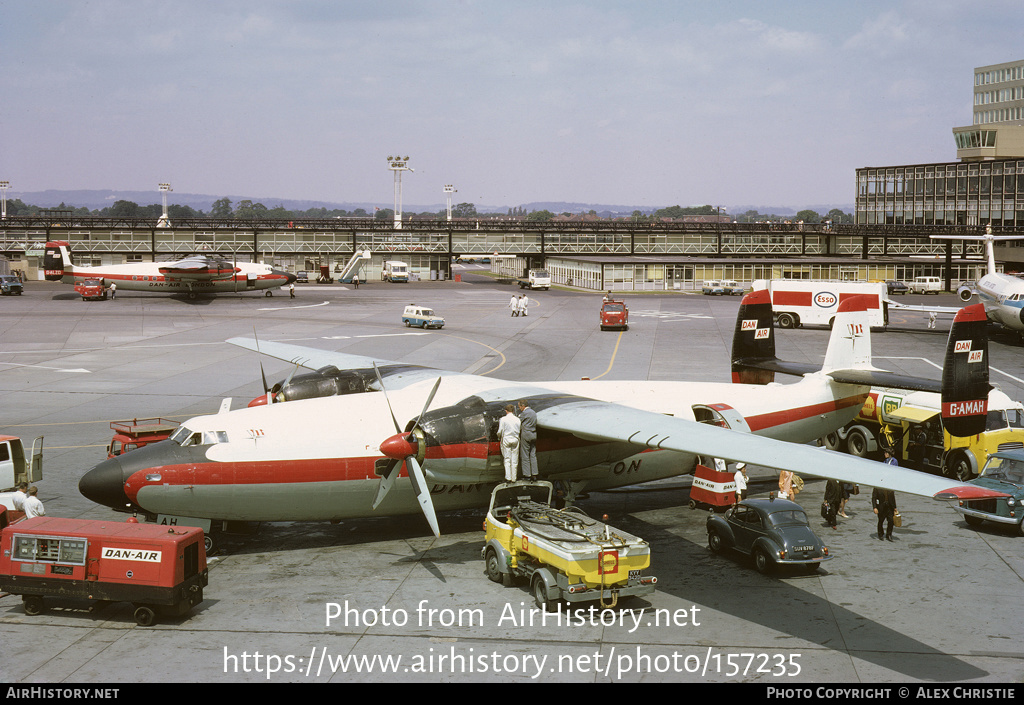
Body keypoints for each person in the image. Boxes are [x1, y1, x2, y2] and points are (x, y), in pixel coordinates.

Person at [497, 405, 521, 482]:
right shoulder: (518, 419)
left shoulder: (503, 419)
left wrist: (499, 436)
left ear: (506, 411)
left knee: (507, 459)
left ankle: (508, 477)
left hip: (507, 439)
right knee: (514, 459)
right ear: (513, 411)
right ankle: (514, 478)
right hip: (515, 439)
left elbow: (500, 431)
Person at [518, 400, 538, 480]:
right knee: (533, 454)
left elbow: (518, 421)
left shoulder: (524, 413)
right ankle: (535, 474)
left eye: (519, 406)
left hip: (526, 434)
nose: (519, 408)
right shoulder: (533, 412)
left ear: (523, 406)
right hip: (534, 434)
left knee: (525, 455)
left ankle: (527, 475)